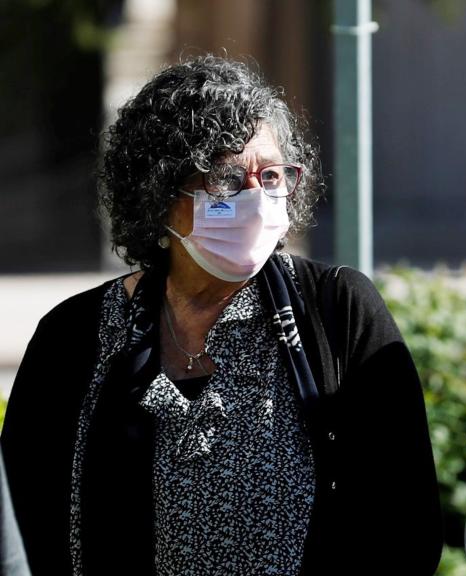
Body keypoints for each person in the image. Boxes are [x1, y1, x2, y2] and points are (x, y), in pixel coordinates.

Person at [1, 56, 443, 575]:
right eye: (228, 179)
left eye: (273, 174)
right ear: (160, 195)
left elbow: (407, 524)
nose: (259, 199)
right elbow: (24, 521)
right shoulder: (75, 335)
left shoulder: (336, 310)